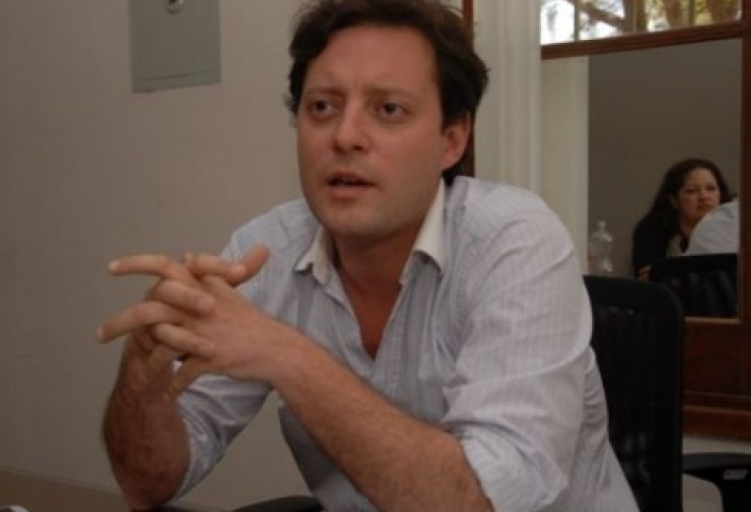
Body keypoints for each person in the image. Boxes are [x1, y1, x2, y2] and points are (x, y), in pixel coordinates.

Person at [98, 1, 637, 511]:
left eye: (389, 110)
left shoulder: (515, 242)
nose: (345, 136)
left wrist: (285, 355)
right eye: (322, 107)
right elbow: (147, 485)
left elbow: (483, 502)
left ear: (451, 140)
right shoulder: (264, 252)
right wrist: (143, 380)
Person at [631, 157, 732, 279]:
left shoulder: (735, 229)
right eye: (691, 191)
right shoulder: (653, 230)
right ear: (674, 200)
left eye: (711, 189)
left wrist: (671, 272)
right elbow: (647, 278)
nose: (704, 197)